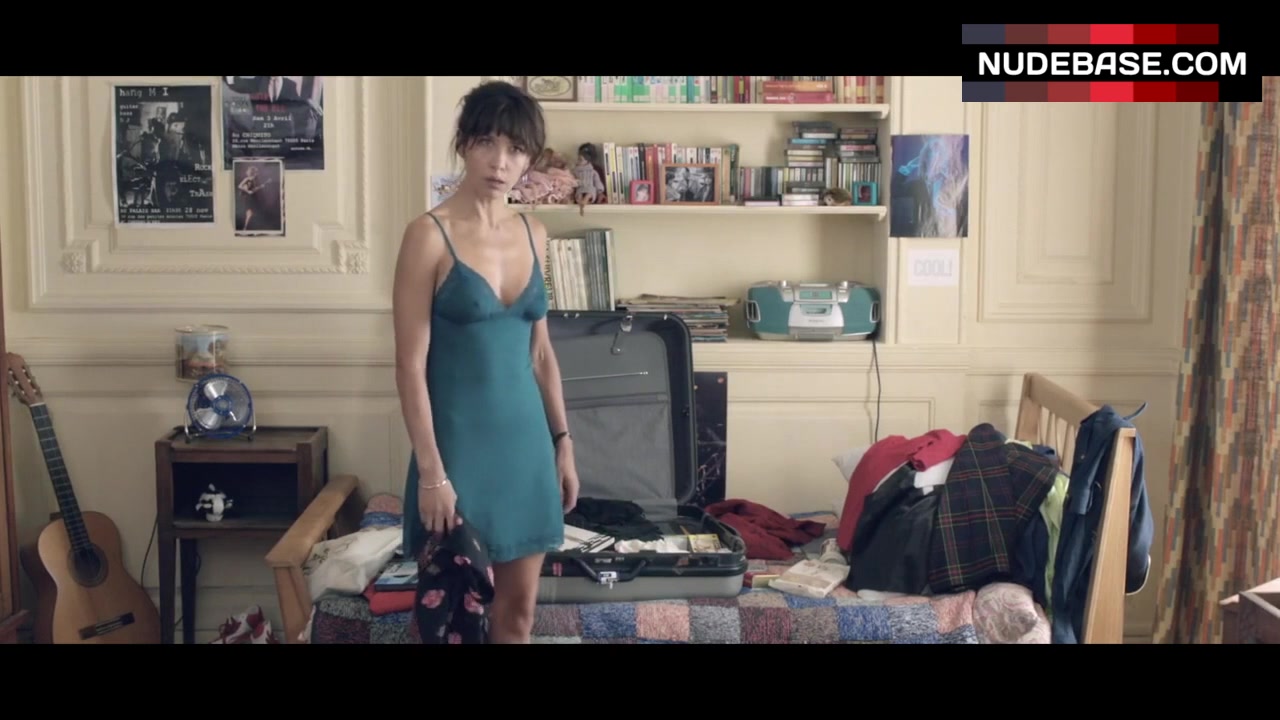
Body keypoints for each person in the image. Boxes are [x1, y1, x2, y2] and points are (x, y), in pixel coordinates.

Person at [392, 81, 579, 644]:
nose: (501, 162)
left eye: (516, 149)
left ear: (529, 158)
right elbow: (409, 366)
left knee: (517, 617)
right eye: (487, 143)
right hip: (457, 456)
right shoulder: (427, 235)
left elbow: (540, 352)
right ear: (463, 144)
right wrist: (432, 474)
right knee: (452, 622)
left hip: (526, 453)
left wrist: (563, 442)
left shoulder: (534, 232)